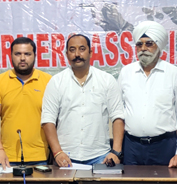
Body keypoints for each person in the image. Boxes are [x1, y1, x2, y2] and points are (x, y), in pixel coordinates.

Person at [117, 21, 177, 167]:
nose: (143, 48)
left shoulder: (174, 74)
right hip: (131, 146)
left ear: (159, 46)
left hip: (164, 146)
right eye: (139, 44)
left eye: (149, 44)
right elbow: (118, 113)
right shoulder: (126, 72)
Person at [41, 34, 124, 166]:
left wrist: (116, 152)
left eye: (82, 49)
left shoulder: (106, 80)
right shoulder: (56, 82)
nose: (77, 54)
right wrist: (57, 152)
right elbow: (47, 120)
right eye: (72, 50)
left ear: (90, 52)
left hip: (101, 156)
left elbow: (118, 117)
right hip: (65, 156)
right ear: (66, 54)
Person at [0, 37, 52, 169]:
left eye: (27, 54)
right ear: (11, 56)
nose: (22, 58)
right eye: (18, 54)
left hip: (40, 156)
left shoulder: (48, 81)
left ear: (35, 56)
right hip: (7, 157)